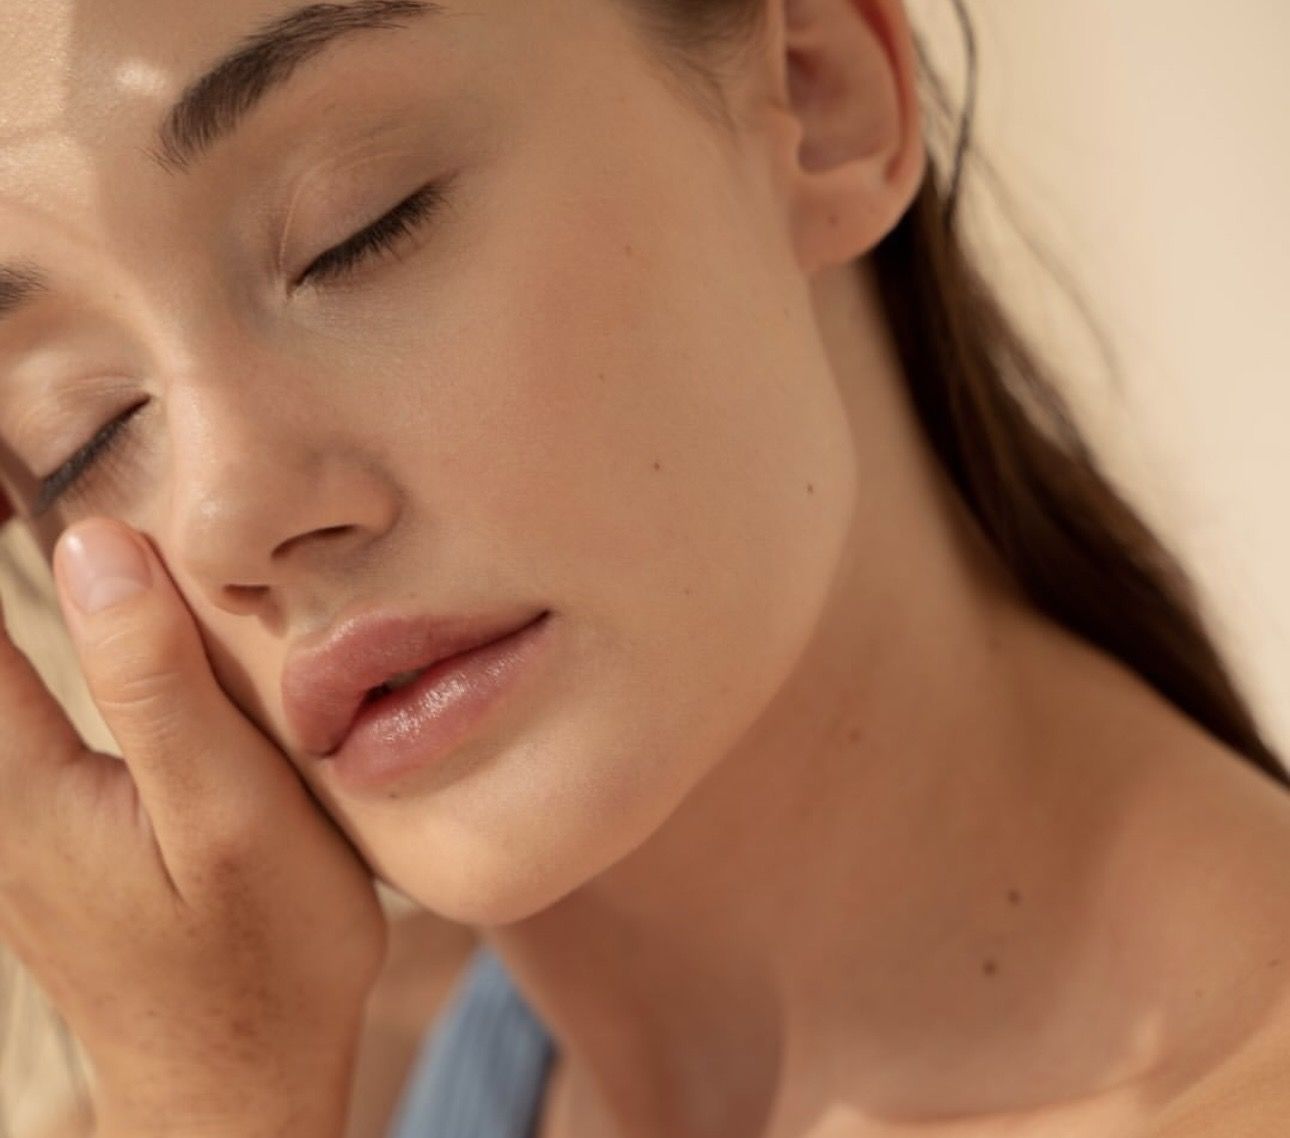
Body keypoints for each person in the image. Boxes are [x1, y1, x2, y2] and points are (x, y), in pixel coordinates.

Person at [0, 0, 1287, 1136]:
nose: (226, 516)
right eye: (82, 436)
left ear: (824, 95)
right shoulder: (299, 1064)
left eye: (358, 226)